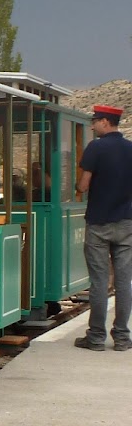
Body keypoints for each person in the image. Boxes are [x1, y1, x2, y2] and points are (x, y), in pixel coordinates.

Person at [74, 104, 132, 352]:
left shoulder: (96, 147)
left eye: (95, 121)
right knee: (124, 281)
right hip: (127, 223)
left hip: (99, 223)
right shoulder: (131, 148)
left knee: (98, 282)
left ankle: (96, 337)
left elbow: (84, 185)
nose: (93, 125)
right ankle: (121, 337)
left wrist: (78, 187)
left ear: (106, 122)